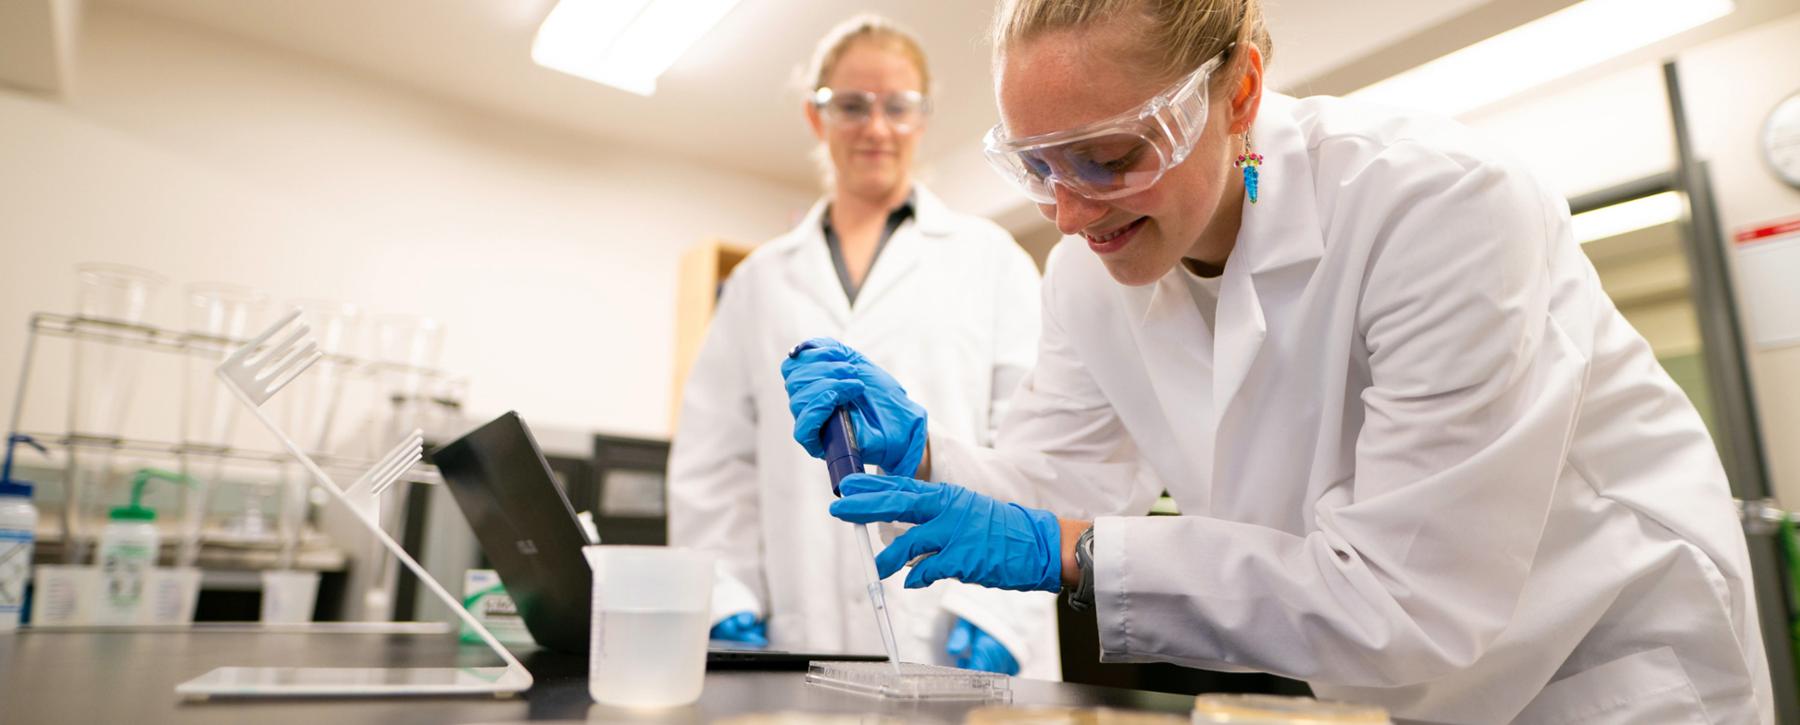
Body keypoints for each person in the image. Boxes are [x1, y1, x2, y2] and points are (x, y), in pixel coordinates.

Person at [779, 0, 1773, 720]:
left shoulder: (1438, 207)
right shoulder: (1090, 276)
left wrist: (1070, 550)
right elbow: (1055, 486)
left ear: (1240, 89)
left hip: (1604, 666)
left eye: (1111, 155)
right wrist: (926, 464)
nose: (1070, 212)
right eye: (1037, 164)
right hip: (1404, 690)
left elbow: (1402, 599)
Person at [667, 14, 1059, 678]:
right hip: (802, 626)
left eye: (897, 106)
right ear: (817, 117)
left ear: (922, 118)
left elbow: (1035, 439)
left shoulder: (991, 259)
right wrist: (725, 595)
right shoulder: (761, 280)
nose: (876, 127)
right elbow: (715, 463)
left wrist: (997, 611)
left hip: (961, 621)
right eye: (851, 105)